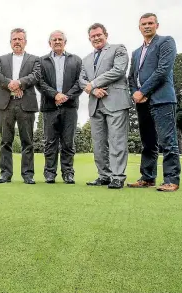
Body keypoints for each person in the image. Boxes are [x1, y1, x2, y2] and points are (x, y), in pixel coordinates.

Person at [127, 13, 181, 192]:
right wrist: (135, 92)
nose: (147, 26)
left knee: (168, 141)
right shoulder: (136, 52)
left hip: (162, 99)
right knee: (148, 142)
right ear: (139, 27)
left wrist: (143, 91)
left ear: (157, 25)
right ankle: (148, 177)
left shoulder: (166, 42)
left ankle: (171, 179)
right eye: (144, 24)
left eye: (150, 23)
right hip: (141, 102)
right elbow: (131, 77)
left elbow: (163, 70)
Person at [79, 23, 132, 189]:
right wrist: (93, 90)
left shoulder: (118, 49)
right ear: (89, 39)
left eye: (99, 35)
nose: (96, 38)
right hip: (96, 104)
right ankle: (104, 175)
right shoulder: (86, 59)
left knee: (117, 140)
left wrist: (94, 83)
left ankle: (117, 176)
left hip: (115, 101)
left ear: (106, 35)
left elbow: (119, 70)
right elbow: (81, 80)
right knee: (98, 143)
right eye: (93, 36)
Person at [0, 28, 41, 184]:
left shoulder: (34, 59)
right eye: (14, 39)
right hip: (6, 104)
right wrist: (10, 84)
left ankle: (28, 174)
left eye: (20, 39)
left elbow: (36, 76)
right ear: (10, 42)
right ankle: (5, 173)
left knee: (27, 141)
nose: (17, 42)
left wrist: (20, 83)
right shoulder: (2, 59)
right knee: (6, 140)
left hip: (26, 104)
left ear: (25, 42)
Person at [37, 30, 82, 184]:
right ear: (49, 43)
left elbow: (80, 82)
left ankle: (68, 173)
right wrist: (55, 95)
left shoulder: (76, 60)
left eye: (60, 39)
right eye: (54, 39)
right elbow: (40, 82)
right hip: (50, 106)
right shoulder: (41, 61)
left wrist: (66, 96)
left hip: (69, 107)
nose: (57, 42)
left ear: (65, 42)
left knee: (68, 142)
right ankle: (50, 173)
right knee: (50, 142)